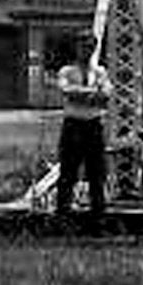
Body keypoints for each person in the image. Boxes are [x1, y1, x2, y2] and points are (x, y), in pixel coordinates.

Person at [55, 28, 112, 229]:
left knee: (97, 174)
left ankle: (98, 218)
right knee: (68, 173)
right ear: (76, 48)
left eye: (90, 47)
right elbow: (66, 91)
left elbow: (106, 94)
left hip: (94, 126)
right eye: (82, 46)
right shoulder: (66, 71)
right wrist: (91, 93)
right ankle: (63, 217)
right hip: (74, 125)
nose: (86, 51)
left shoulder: (100, 72)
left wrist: (83, 94)